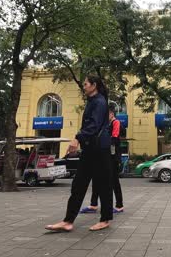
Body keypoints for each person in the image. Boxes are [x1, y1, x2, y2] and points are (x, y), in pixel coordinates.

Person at [45, 75, 113, 232]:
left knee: (103, 185)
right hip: (90, 149)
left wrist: (77, 138)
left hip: (99, 150)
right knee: (78, 185)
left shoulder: (100, 102)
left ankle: (105, 219)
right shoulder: (93, 101)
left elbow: (94, 126)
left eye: (86, 84)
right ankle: (68, 221)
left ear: (94, 85)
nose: (84, 86)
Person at [80, 105, 124, 214]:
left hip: (112, 157)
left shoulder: (115, 122)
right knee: (96, 179)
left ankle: (119, 205)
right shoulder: (105, 124)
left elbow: (114, 138)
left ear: (112, 114)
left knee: (114, 180)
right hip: (103, 155)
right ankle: (93, 204)